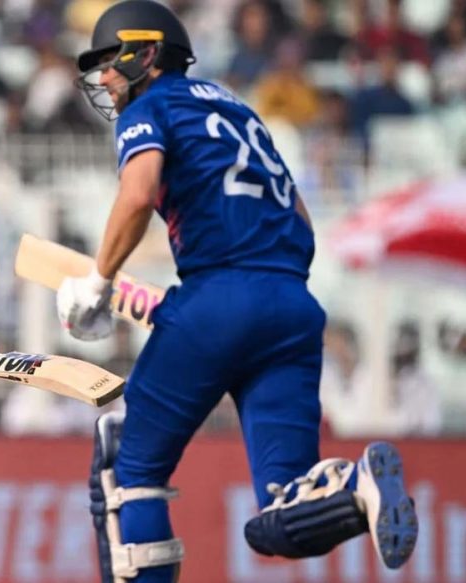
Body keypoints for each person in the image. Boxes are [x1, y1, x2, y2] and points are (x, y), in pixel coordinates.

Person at [61, 2, 419, 581]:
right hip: (293, 308)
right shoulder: (239, 109)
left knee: (129, 472)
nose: (103, 76)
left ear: (147, 53)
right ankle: (355, 486)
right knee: (281, 515)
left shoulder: (151, 106)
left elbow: (138, 193)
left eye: (109, 60)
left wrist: (99, 281)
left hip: (218, 299)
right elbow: (300, 219)